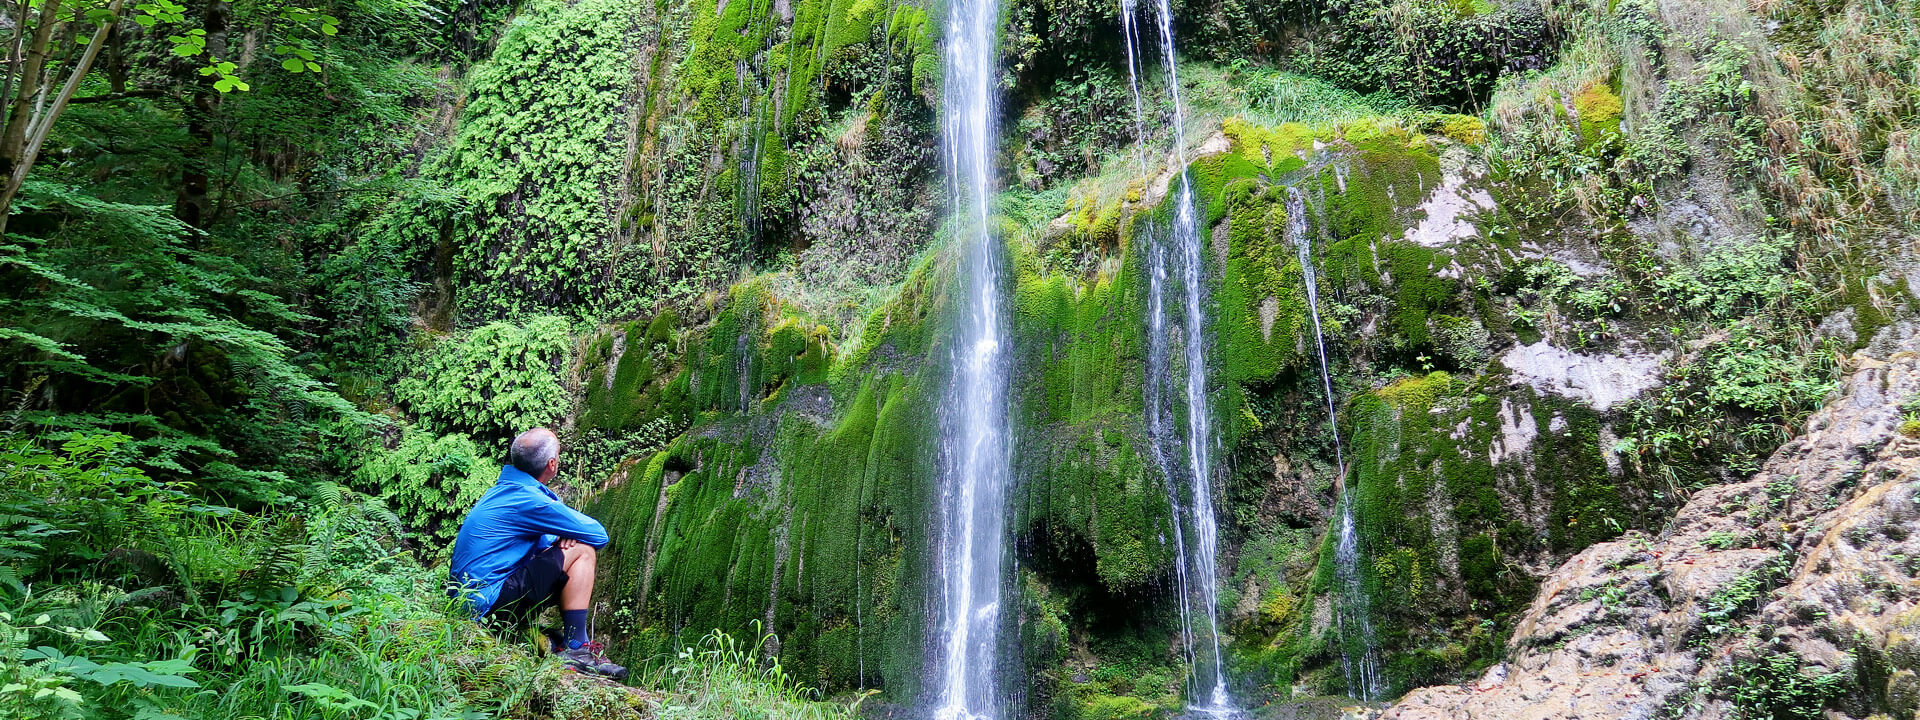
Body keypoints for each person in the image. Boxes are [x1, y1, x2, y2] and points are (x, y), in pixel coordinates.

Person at [449, 427, 626, 679]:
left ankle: (558, 641)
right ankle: (577, 648)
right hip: (488, 604)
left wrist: (561, 536)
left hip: (469, 603)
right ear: (552, 465)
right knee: (582, 550)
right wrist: (569, 536)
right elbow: (598, 534)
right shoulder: (530, 499)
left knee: (568, 548)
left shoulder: (504, 490)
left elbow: (544, 543)